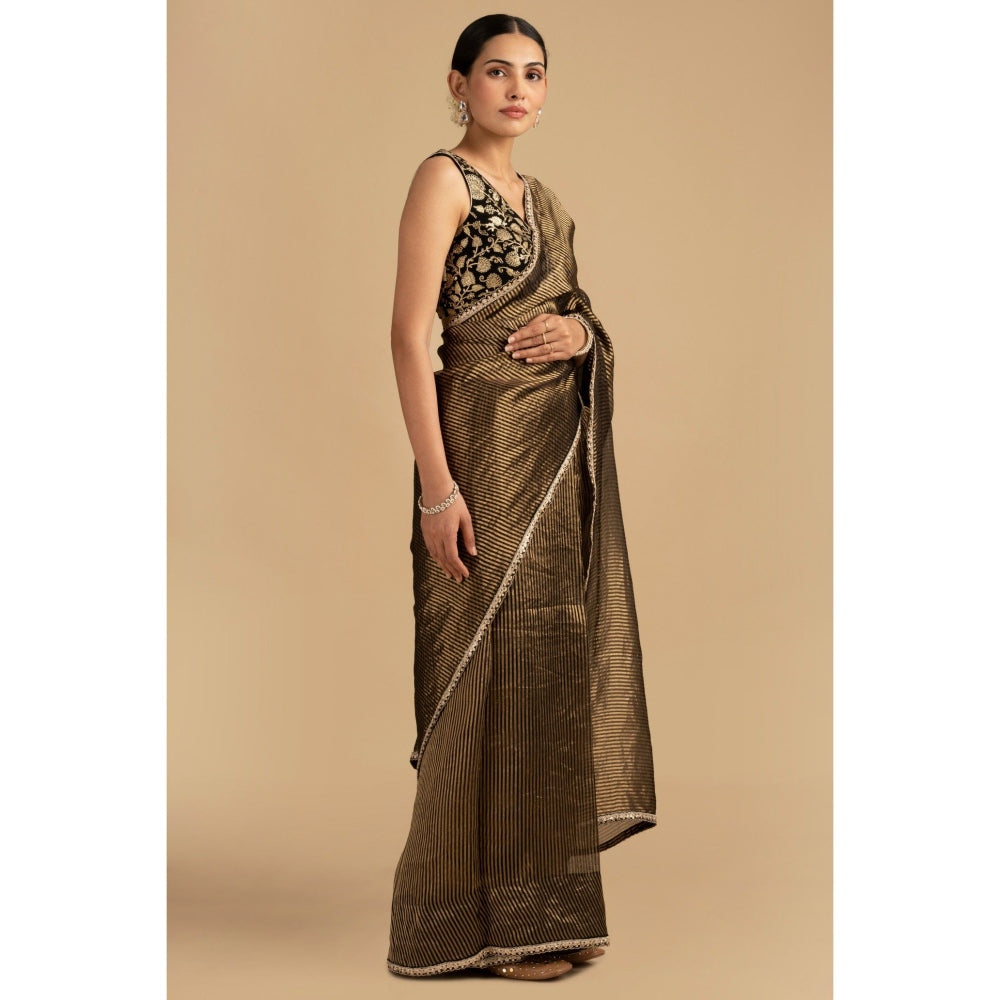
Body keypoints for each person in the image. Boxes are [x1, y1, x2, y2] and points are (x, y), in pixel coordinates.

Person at [386, 14, 657, 981]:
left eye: (533, 74)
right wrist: (437, 490)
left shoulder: (545, 202)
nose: (517, 90)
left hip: (552, 459)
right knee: (483, 672)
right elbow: (409, 338)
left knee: (544, 664)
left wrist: (584, 338)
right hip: (477, 458)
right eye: (497, 72)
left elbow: (575, 313)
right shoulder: (442, 180)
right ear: (458, 84)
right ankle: (471, 924)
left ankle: (544, 909)